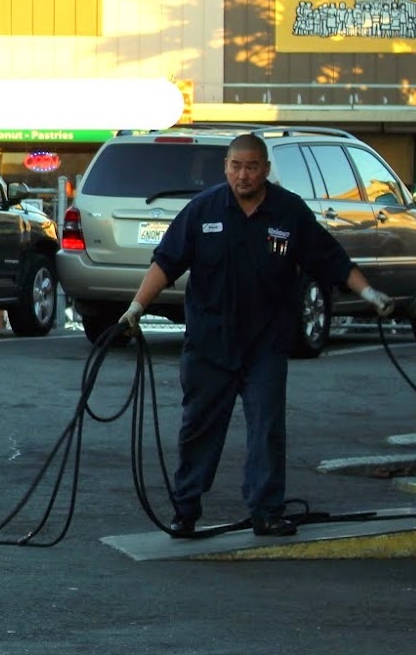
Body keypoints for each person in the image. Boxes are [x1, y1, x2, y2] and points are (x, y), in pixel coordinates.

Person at [118, 134, 393, 538]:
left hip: (265, 344)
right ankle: (185, 510)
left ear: (265, 169)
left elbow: (330, 257)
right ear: (225, 167)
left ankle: (266, 510)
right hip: (210, 343)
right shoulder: (203, 210)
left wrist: (368, 293)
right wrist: (136, 308)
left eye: (251, 167)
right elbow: (166, 261)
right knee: (199, 429)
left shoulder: (289, 212)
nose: (242, 175)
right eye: (235, 166)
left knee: (266, 427)